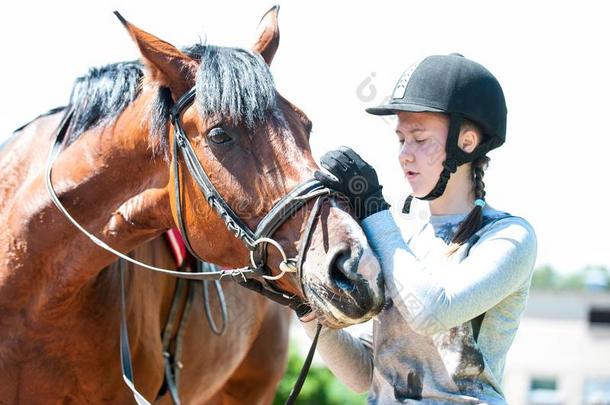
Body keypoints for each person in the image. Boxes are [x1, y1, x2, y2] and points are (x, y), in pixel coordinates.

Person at [301, 53, 538, 404]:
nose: (404, 155)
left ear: (467, 142)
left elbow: (433, 311)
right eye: (401, 139)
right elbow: (365, 375)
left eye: (420, 138)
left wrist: (374, 208)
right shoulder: (401, 238)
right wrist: (305, 306)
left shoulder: (509, 237)